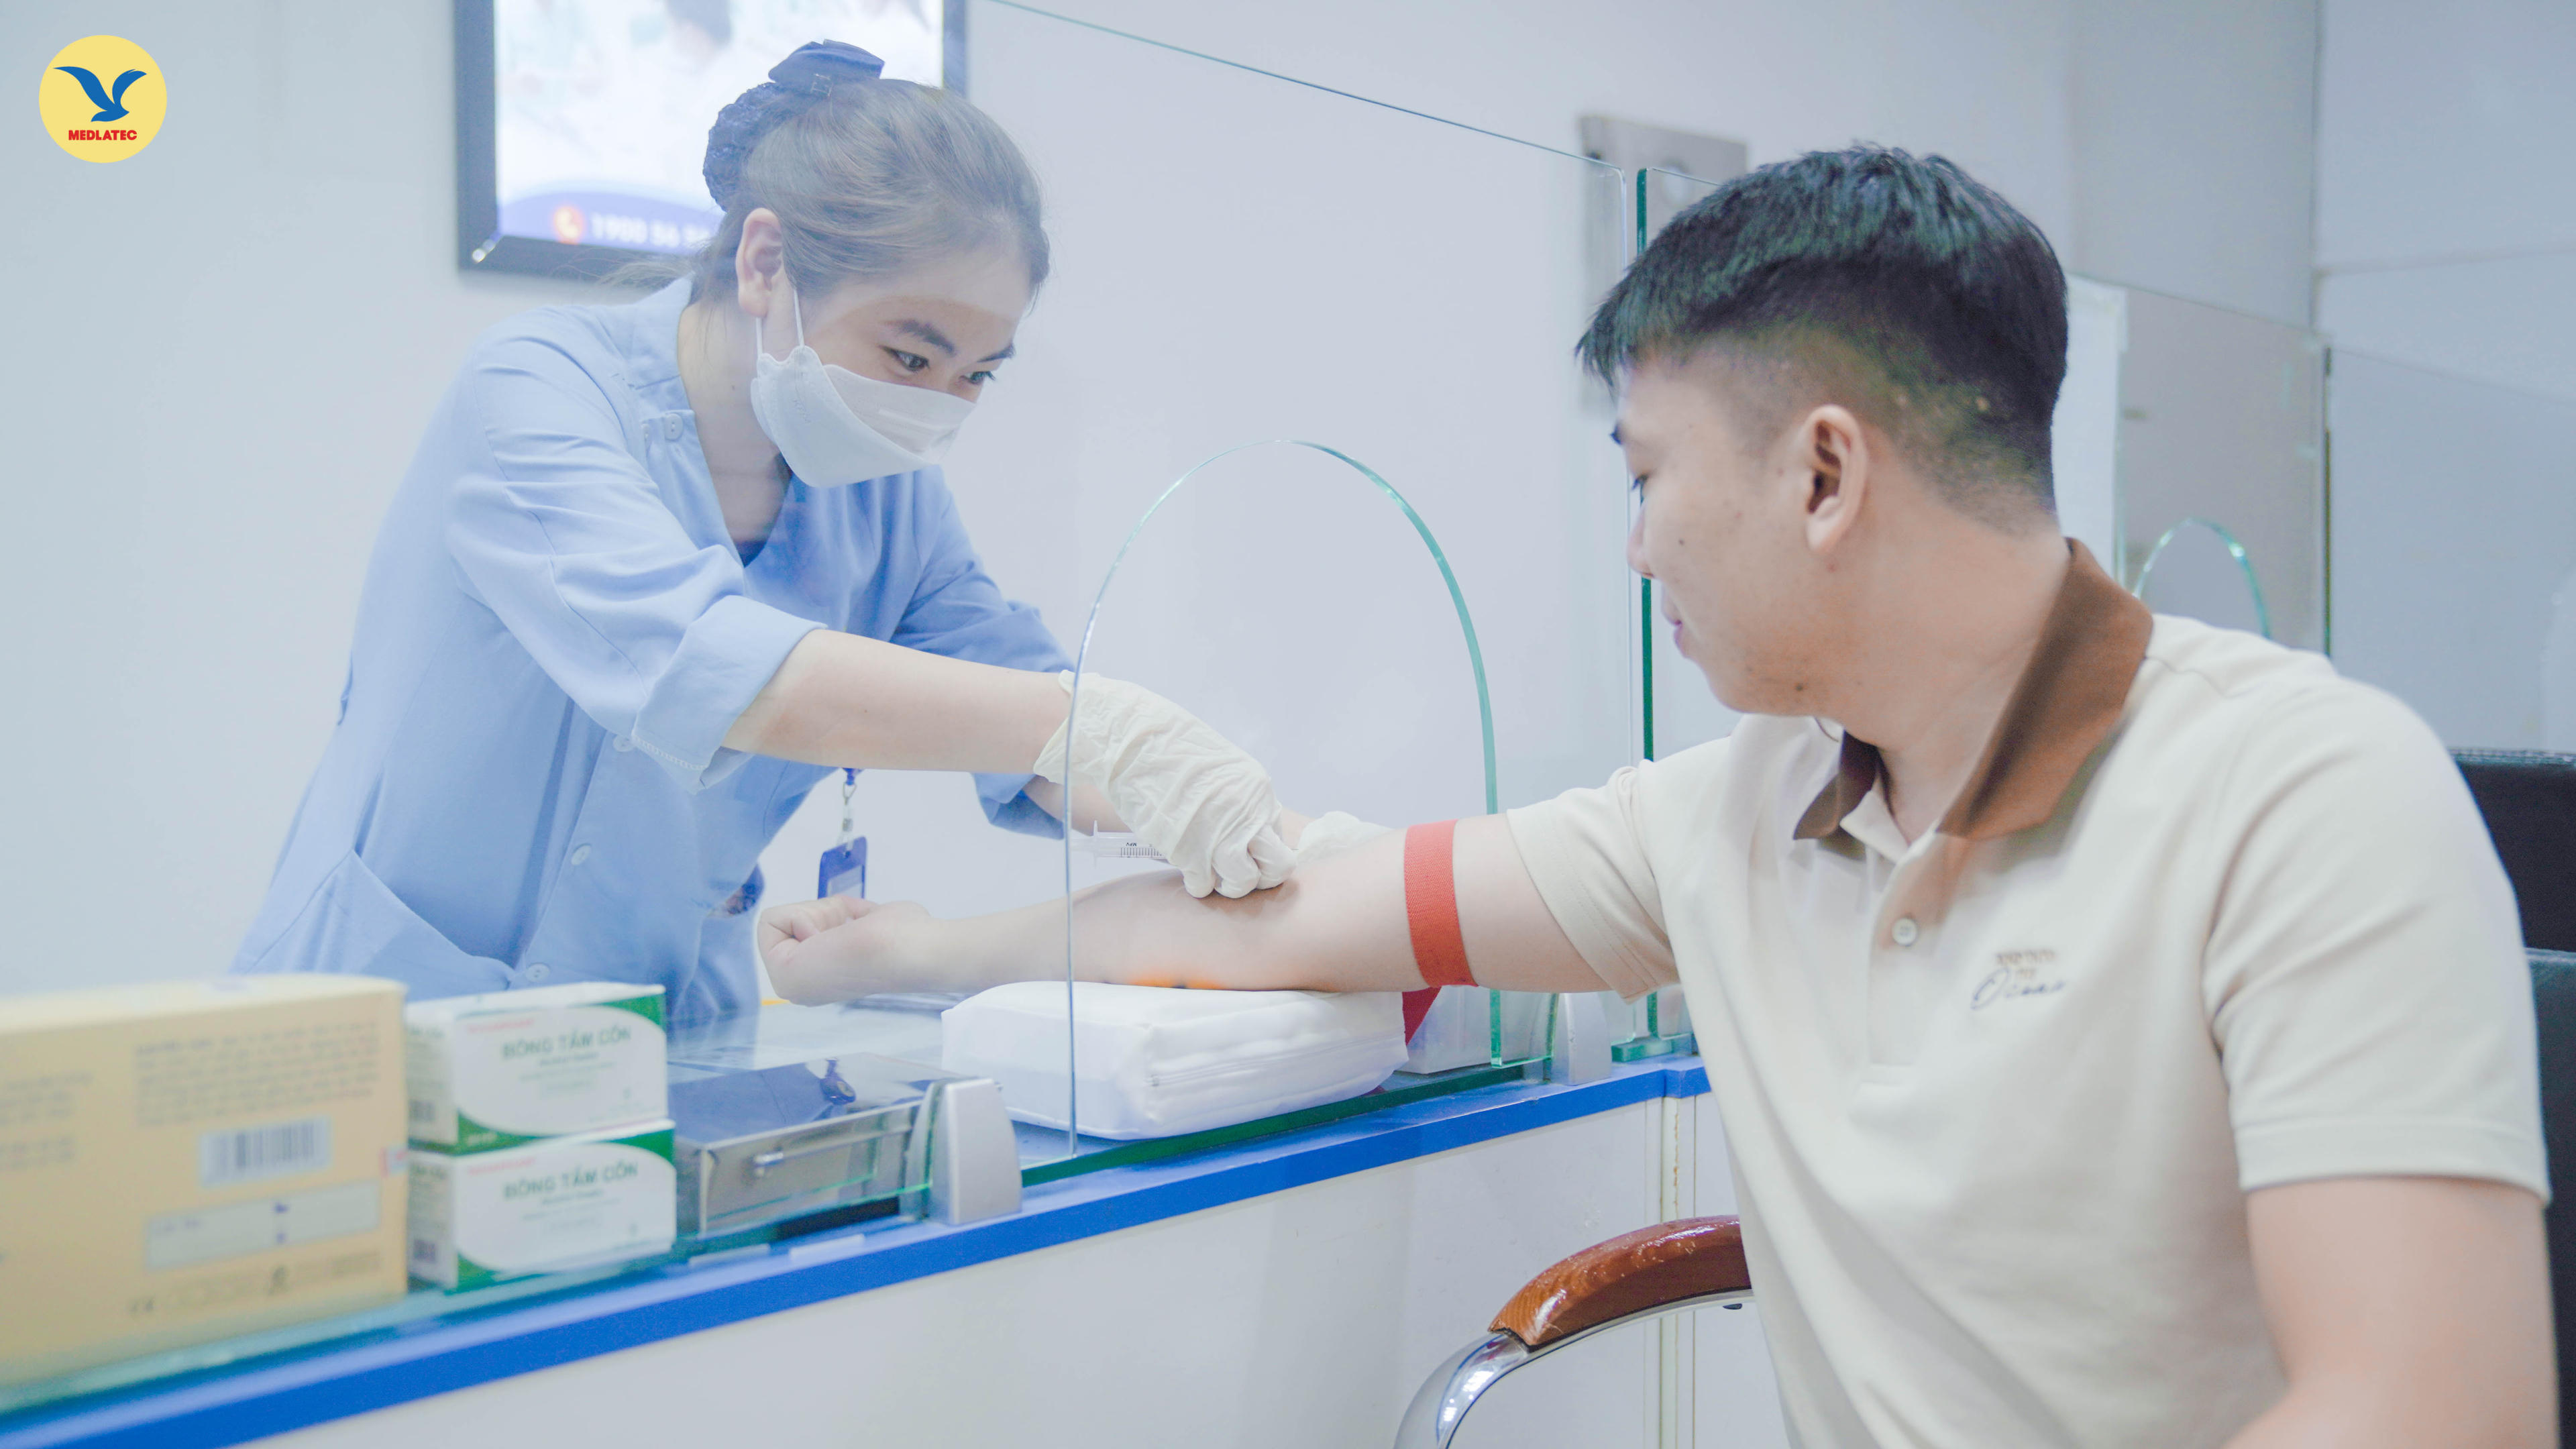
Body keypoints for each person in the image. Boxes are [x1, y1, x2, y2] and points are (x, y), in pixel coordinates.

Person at [758, 148, 2555, 1446]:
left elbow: (2431, 1412)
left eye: (1646, 475)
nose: (1632, 549)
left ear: (1824, 476)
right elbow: (1281, 914)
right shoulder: (1733, 819)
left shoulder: (2306, 797)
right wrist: (910, 954)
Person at [235, 42, 1296, 1024]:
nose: (936, 406)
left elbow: (1031, 730)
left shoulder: (887, 500)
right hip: (393, 1015)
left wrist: (1232, 820)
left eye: (977, 374)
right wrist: (1095, 725)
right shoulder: (537, 391)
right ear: (765, 262)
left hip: (657, 1032)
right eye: (910, 356)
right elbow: (720, 672)